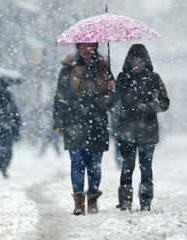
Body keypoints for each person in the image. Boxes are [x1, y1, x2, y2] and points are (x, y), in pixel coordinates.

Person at [53, 42, 114, 215]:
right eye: (83, 46)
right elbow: (60, 96)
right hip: (74, 122)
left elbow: (111, 100)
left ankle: (93, 199)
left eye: (91, 46)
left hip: (97, 123)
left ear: (96, 47)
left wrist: (110, 90)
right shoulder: (68, 68)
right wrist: (58, 121)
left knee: (95, 165)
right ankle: (79, 201)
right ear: (78, 48)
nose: (87, 50)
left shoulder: (103, 67)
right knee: (77, 163)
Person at [113, 44, 170, 211]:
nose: (137, 63)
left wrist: (150, 106)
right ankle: (125, 202)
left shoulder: (154, 78)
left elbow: (165, 103)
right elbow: (114, 102)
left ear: (146, 61)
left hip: (147, 131)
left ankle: (146, 202)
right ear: (129, 61)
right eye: (134, 60)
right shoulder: (122, 78)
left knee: (146, 168)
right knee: (127, 167)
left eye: (140, 60)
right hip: (127, 130)